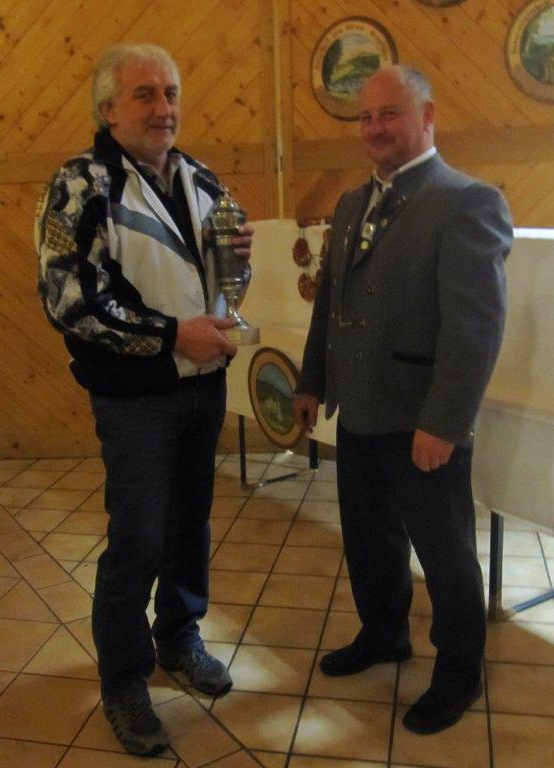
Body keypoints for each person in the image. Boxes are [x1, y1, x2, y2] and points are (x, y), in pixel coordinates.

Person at [35, 43, 253, 757]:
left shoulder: (201, 179)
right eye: (145, 95)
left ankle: (179, 638)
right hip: (137, 401)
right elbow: (69, 301)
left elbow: (225, 283)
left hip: (204, 386)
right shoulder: (80, 185)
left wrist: (239, 263)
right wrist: (170, 337)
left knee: (190, 526)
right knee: (139, 539)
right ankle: (125, 678)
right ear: (108, 109)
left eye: (171, 92)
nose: (164, 108)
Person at [293, 64, 512, 735]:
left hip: (423, 421)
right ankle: (384, 633)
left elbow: (475, 328)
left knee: (444, 555)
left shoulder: (467, 202)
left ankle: (460, 671)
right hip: (359, 410)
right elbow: (330, 301)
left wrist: (444, 422)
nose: (374, 128)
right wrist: (312, 380)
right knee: (369, 541)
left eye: (389, 113)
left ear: (427, 115)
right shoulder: (352, 202)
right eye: (365, 117)